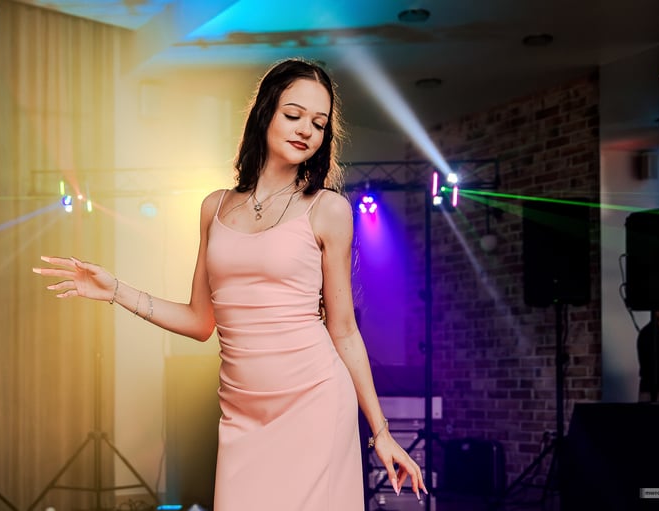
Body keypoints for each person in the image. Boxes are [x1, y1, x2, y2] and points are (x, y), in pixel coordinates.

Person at [34, 58, 427, 511]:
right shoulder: (214, 207)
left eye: (319, 124)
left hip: (314, 401)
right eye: (293, 115)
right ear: (265, 112)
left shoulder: (328, 210)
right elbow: (200, 321)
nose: (306, 130)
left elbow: (344, 331)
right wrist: (116, 290)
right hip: (241, 413)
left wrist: (381, 432)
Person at [636, 310, 659, 403]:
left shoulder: (645, 333)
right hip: (657, 389)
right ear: (658, 313)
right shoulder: (658, 335)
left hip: (647, 387)